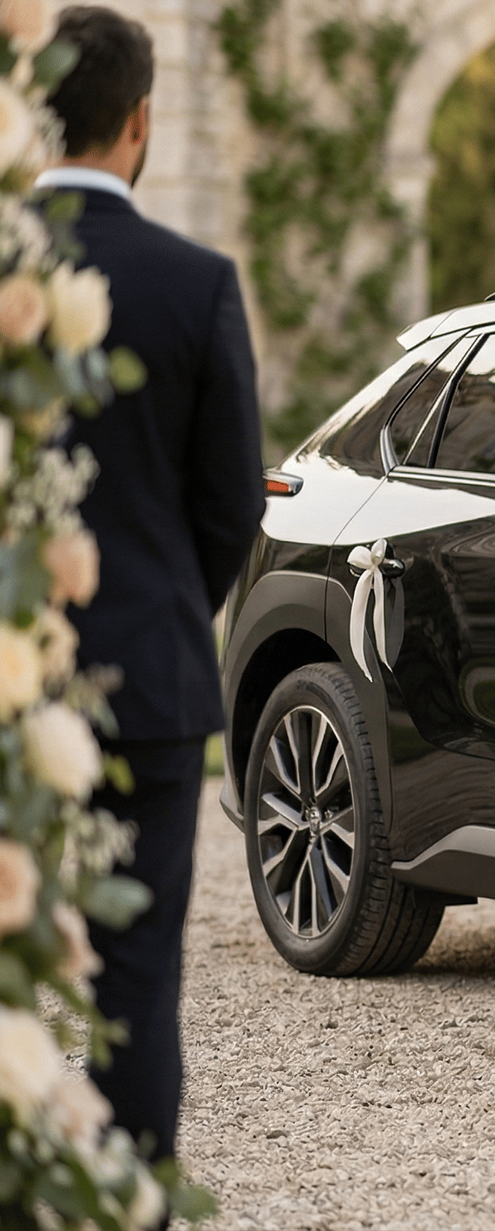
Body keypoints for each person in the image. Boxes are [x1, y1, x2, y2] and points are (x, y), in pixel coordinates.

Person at [39, 5, 265, 1164]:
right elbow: (231, 504)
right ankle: (131, 1189)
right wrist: (168, 599)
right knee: (136, 981)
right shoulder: (193, 281)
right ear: (140, 121)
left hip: (11, 689)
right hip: (149, 683)